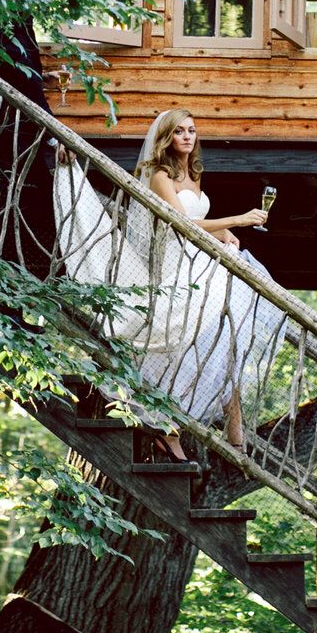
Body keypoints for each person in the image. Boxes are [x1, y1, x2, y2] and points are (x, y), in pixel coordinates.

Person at [52, 108, 286, 459]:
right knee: (210, 325)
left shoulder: (192, 173)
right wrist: (238, 220)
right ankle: (171, 428)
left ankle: (229, 425)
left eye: (192, 130)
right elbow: (181, 224)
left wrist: (224, 234)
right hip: (175, 266)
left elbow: (197, 220)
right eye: (179, 132)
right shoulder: (160, 174)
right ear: (167, 138)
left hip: (197, 257)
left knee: (227, 334)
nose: (188, 137)